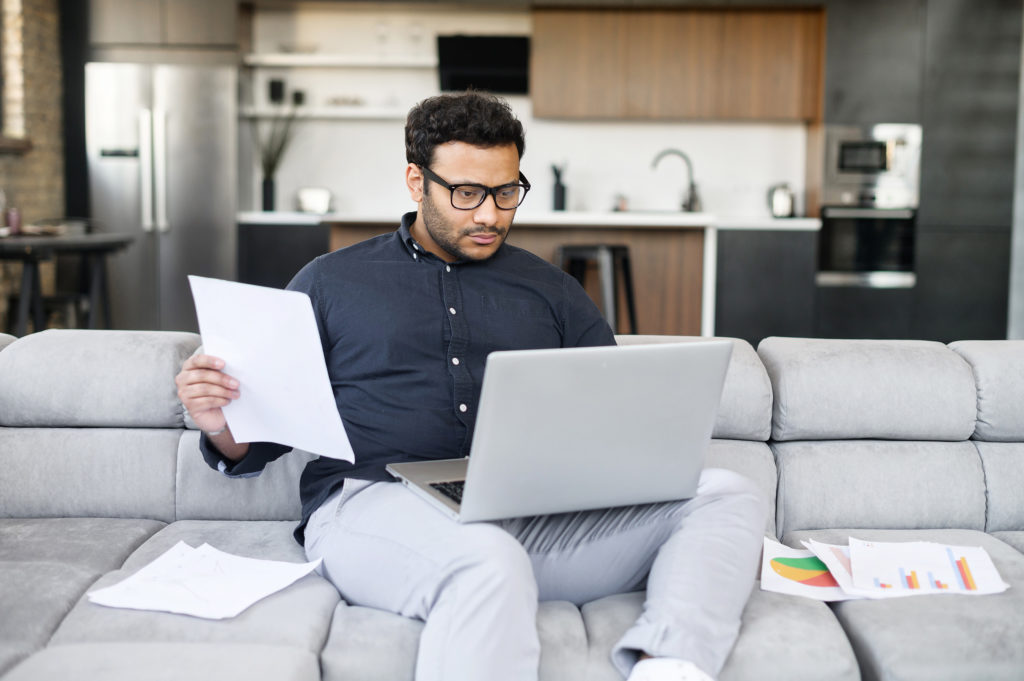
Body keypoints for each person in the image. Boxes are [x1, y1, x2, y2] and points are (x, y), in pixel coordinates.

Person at [176, 91, 765, 681]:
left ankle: (671, 667)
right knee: (486, 560)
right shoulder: (328, 284)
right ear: (416, 181)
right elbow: (263, 442)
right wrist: (222, 424)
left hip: (529, 517)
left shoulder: (553, 290)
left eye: (506, 192)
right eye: (467, 194)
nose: (490, 214)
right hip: (372, 507)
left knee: (724, 491)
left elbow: (610, 415)